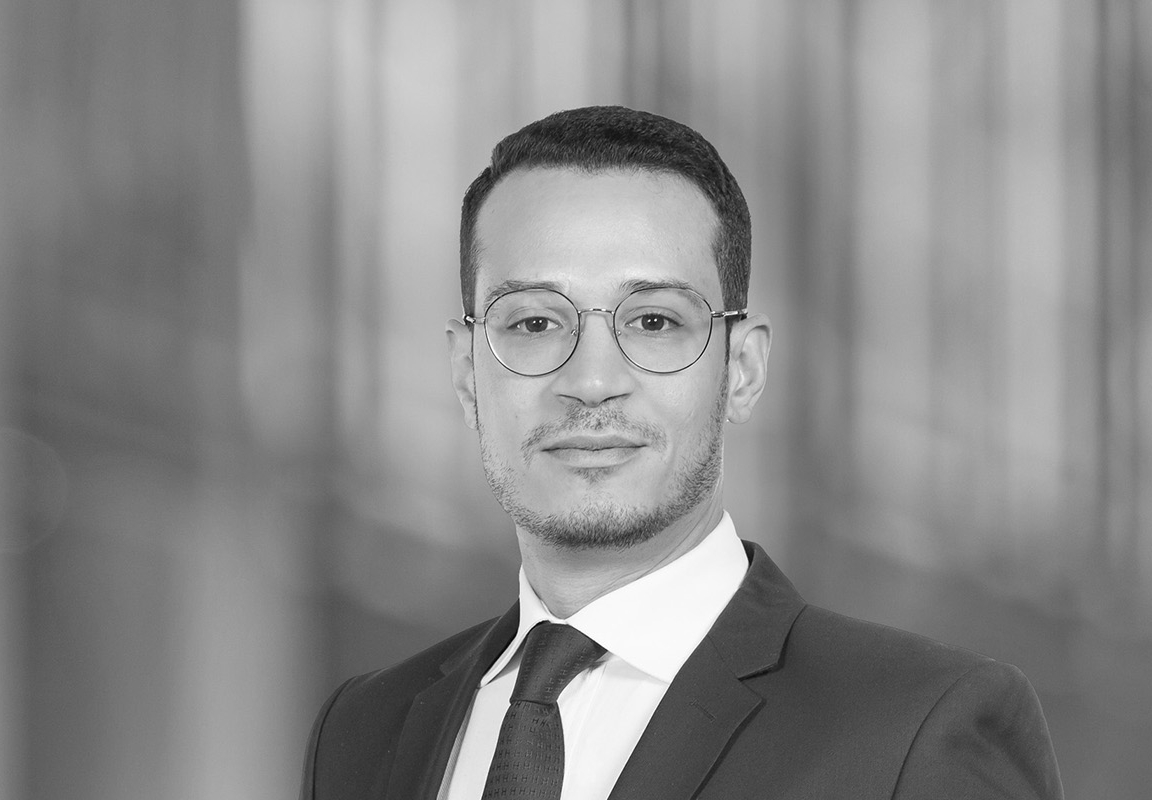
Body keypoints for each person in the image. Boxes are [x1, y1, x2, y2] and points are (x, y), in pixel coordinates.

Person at [298, 106, 1063, 800]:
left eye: (654, 322)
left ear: (742, 369)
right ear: (467, 372)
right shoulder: (364, 731)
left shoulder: (917, 729)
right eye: (533, 324)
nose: (591, 382)